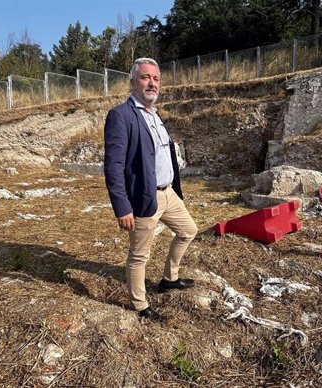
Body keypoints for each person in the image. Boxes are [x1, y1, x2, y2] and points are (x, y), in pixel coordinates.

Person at [103, 57, 198, 321]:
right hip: (144, 197)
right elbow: (113, 166)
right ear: (133, 82)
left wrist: (174, 190)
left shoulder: (156, 116)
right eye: (145, 77)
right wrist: (122, 207)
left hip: (168, 194)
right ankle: (139, 305)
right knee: (139, 255)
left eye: (156, 79)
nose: (151, 83)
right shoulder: (120, 116)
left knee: (189, 231)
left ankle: (169, 278)